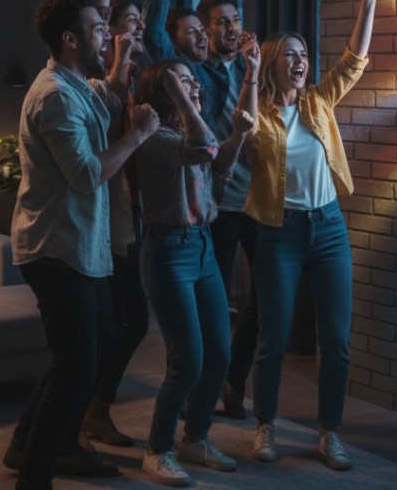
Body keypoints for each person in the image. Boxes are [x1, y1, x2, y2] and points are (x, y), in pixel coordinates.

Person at [5, 0, 160, 490]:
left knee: (88, 354)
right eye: (99, 29)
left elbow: (110, 95)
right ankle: (35, 475)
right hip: (55, 248)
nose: (107, 35)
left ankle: (29, 445)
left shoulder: (77, 83)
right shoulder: (53, 95)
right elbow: (86, 173)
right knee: (76, 367)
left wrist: (123, 54)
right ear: (70, 39)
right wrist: (136, 136)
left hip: (82, 245)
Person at [244, 0, 380, 471]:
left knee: (337, 343)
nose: (300, 62)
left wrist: (369, 1)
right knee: (273, 338)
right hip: (278, 235)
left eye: (304, 55)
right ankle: (264, 426)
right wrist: (249, 71)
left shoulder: (319, 102)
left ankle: (329, 433)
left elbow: (353, 62)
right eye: (290, 56)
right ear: (273, 64)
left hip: (328, 229)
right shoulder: (255, 113)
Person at [133, 50, 257, 486]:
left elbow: (218, 165)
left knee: (219, 355)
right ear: (165, 91)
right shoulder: (151, 135)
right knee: (187, 360)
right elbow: (203, 148)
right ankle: (158, 449)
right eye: (184, 82)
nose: (196, 88)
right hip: (167, 251)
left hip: (202, 245)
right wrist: (183, 99)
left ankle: (196, 438)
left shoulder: (189, 127)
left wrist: (239, 134)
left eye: (193, 82)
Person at [77, 0, 152, 449]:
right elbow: (94, 10)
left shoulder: (132, 71)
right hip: (98, 216)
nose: (124, 32)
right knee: (125, 323)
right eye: (117, 24)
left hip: (128, 212)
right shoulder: (90, 74)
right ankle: (89, 412)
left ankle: (90, 412)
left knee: (125, 323)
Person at [193, 0, 261, 419]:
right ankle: (199, 387)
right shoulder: (197, 72)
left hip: (259, 199)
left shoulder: (255, 67)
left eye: (235, 19)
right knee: (210, 301)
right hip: (217, 202)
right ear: (206, 29)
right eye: (221, 22)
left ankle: (234, 382)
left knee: (265, 295)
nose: (231, 28)